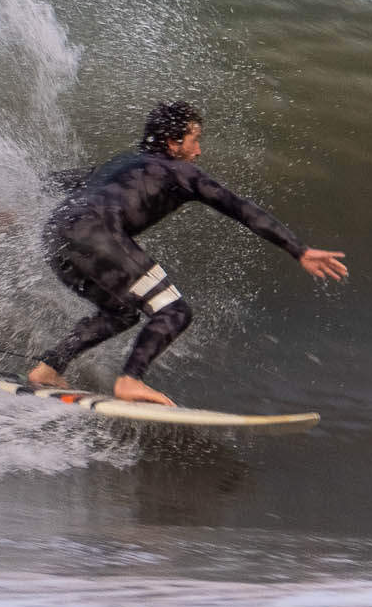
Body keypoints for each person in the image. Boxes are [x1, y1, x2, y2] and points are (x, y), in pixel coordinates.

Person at [25, 100, 348, 407]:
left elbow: (52, 181)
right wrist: (299, 250)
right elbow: (242, 209)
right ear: (172, 142)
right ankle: (130, 381)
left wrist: (8, 209)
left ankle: (49, 369)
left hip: (56, 237)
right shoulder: (182, 172)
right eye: (194, 140)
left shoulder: (120, 163)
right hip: (96, 235)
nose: (198, 150)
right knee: (175, 312)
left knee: (121, 312)